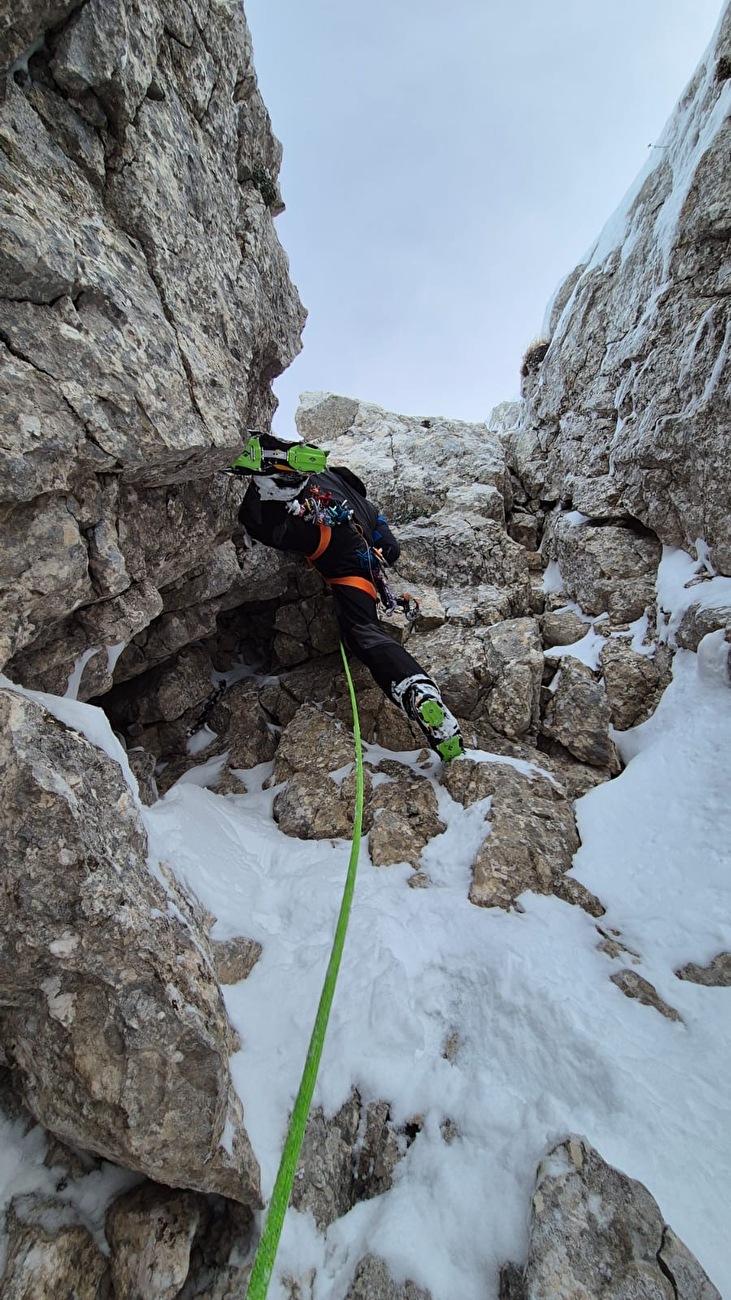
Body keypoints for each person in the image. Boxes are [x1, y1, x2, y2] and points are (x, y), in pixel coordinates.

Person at [234, 433, 464, 761]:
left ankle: (281, 478)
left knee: (274, 523)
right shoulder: (368, 507)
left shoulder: (325, 475)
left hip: (319, 513)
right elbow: (392, 549)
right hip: (345, 550)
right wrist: (378, 545)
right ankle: (416, 690)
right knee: (364, 632)